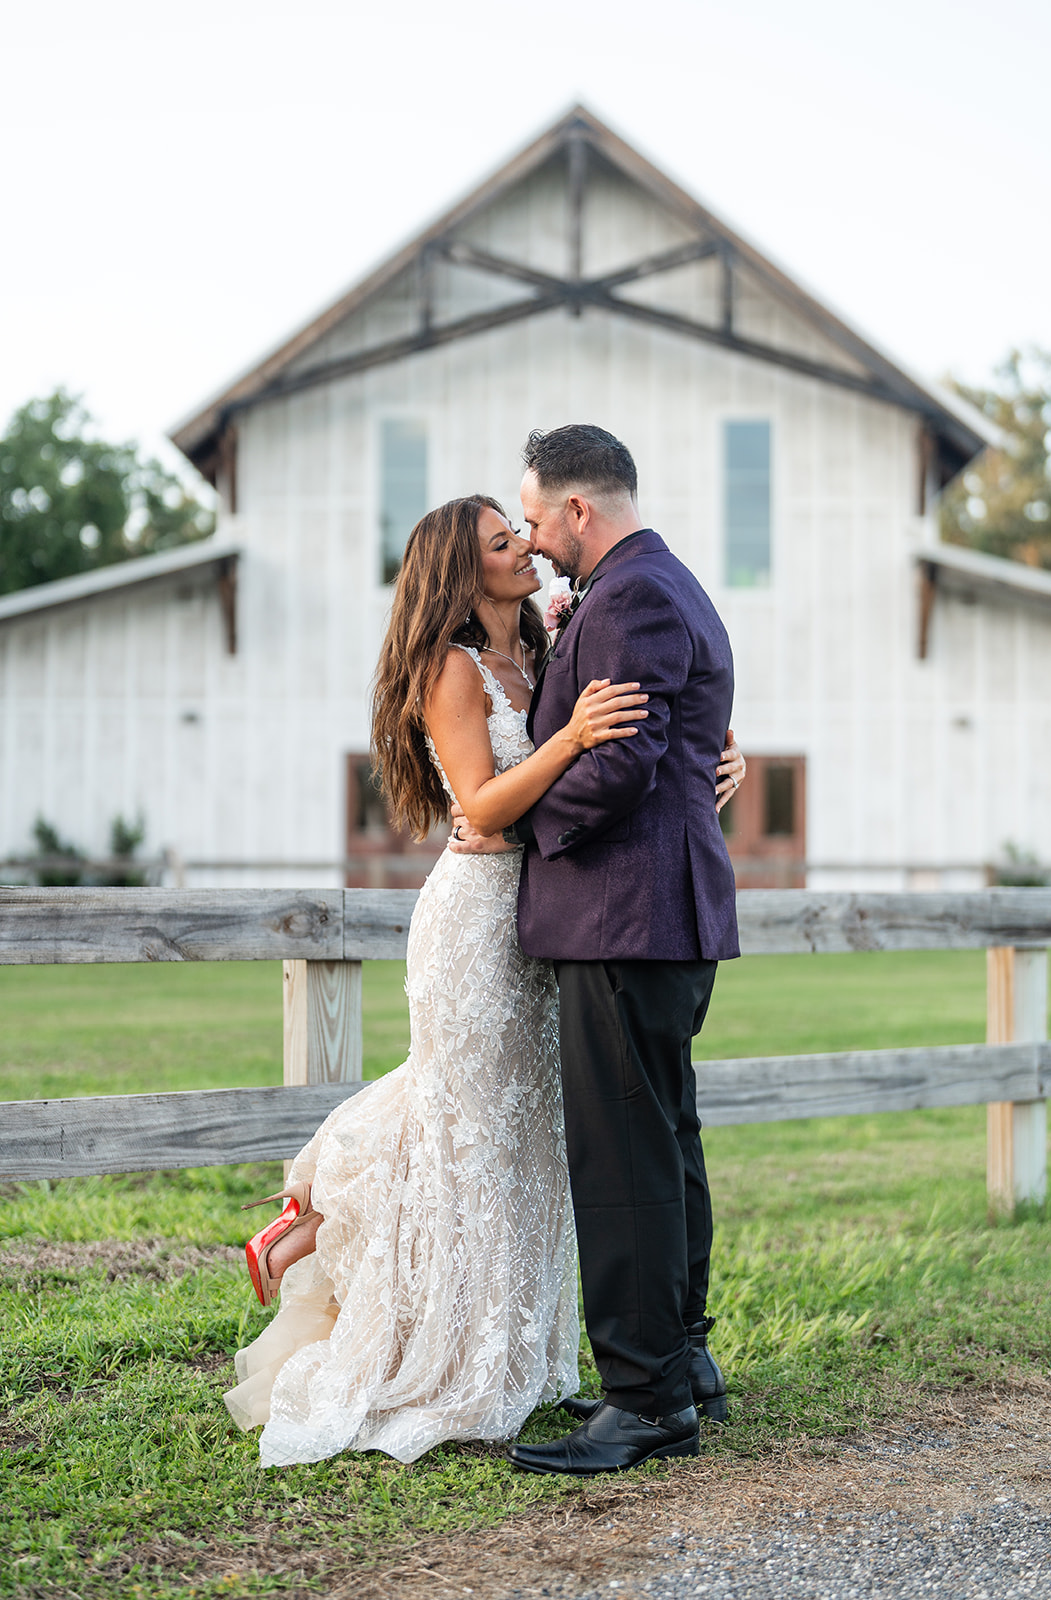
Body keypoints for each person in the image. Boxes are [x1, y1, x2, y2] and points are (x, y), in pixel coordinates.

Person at [226, 492, 746, 1469]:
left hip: (547, 914)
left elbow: (632, 740)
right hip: (475, 923)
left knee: (521, 1140)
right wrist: (569, 739)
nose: (526, 549)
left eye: (521, 532)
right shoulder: (450, 667)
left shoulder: (545, 650)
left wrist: (705, 765)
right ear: (461, 575)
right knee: (459, 1118)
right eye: (504, 543)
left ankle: (509, 1351)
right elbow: (479, 802)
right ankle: (334, 1233)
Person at [453, 426, 740, 1476]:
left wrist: (508, 823)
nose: (530, 538)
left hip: (625, 912)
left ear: (578, 509)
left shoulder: (629, 598)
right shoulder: (660, 584)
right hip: (654, 913)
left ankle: (644, 1398)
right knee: (661, 1140)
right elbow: (675, 748)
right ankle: (682, 1362)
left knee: (621, 1157)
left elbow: (619, 766)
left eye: (533, 517)